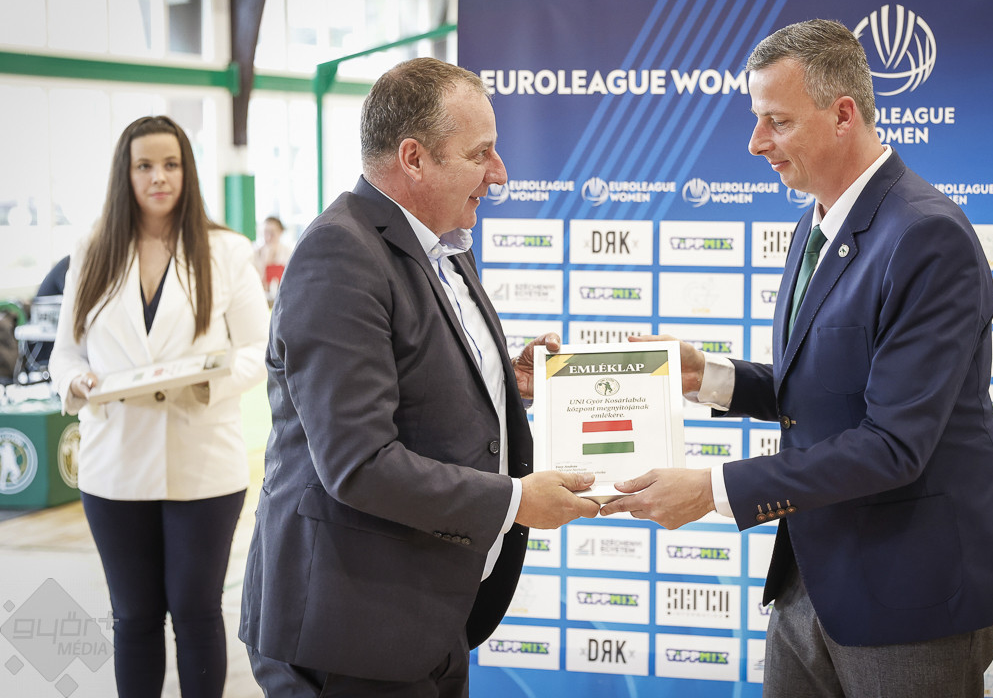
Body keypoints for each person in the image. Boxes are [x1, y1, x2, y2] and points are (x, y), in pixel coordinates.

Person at [600, 20, 993, 697]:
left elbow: (893, 445)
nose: (755, 142)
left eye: (777, 121)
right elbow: (826, 389)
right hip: (810, 577)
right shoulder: (816, 222)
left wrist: (713, 490)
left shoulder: (927, 236)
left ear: (843, 115)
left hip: (911, 589)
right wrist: (706, 376)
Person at [239, 57, 599, 697]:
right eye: (481, 154)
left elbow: (414, 376)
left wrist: (501, 379)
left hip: (425, 615)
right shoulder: (339, 254)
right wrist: (516, 502)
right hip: (348, 629)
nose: (500, 173)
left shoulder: (442, 243)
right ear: (413, 158)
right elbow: (358, 462)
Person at [49, 115, 269, 697]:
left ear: (187, 171)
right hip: (114, 464)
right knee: (134, 616)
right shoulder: (93, 248)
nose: (158, 177)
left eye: (171, 164)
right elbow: (65, 352)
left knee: (196, 612)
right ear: (125, 174)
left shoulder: (225, 250)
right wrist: (74, 382)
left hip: (203, 461)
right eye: (144, 165)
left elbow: (261, 347)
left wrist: (209, 381)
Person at [252, 215, 291, 299]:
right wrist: (265, 259)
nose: (269, 237)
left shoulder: (288, 252)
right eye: (266, 232)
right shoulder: (255, 252)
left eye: (272, 233)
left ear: (280, 232)